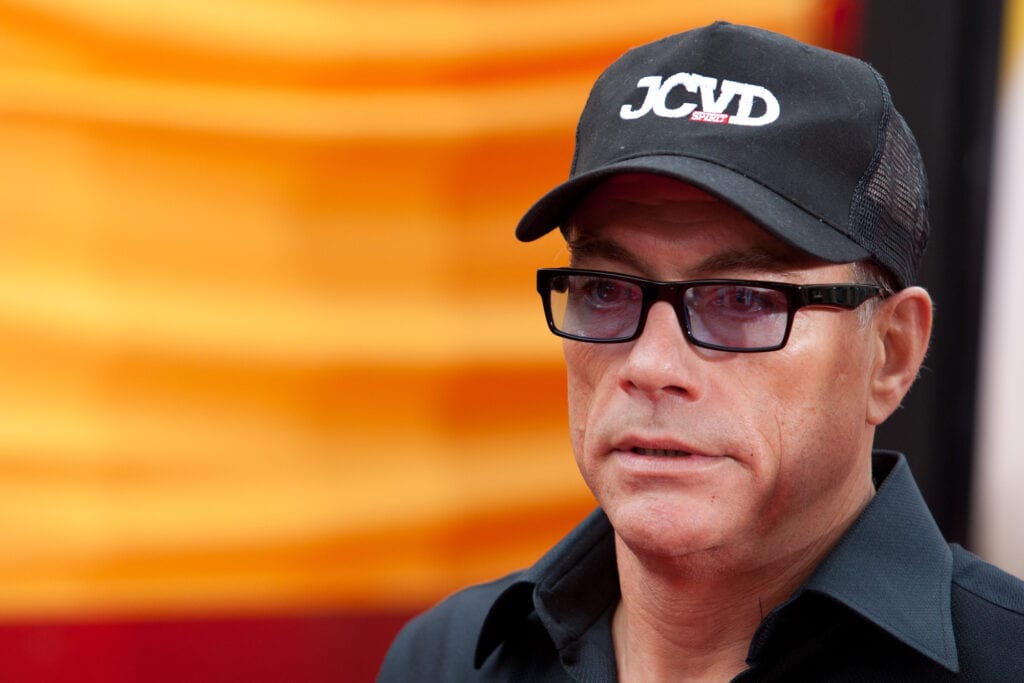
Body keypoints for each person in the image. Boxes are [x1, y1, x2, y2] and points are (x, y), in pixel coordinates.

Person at [378, 21, 1024, 682]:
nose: (651, 366)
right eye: (605, 290)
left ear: (891, 353)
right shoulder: (451, 659)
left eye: (742, 300)